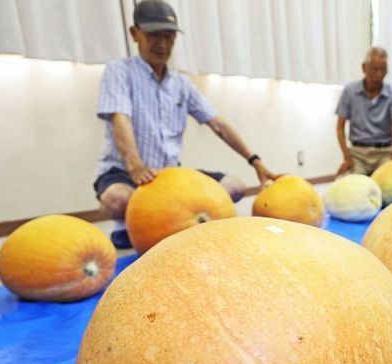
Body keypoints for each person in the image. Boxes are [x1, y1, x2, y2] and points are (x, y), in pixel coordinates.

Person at [93, 0, 274, 248]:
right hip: (124, 171)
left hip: (168, 174)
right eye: (154, 36)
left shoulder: (182, 84)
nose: (163, 44)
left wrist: (256, 160)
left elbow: (218, 123)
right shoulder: (119, 71)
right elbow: (120, 119)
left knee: (235, 186)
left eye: (169, 37)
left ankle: (174, 225)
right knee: (118, 199)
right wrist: (135, 166)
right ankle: (128, 225)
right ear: (134, 34)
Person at [335, 47, 392, 176]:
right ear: (364, 67)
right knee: (345, 186)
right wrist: (347, 156)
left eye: (383, 69)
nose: (378, 74)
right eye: (374, 69)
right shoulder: (350, 91)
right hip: (358, 154)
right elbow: (339, 127)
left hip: (385, 153)